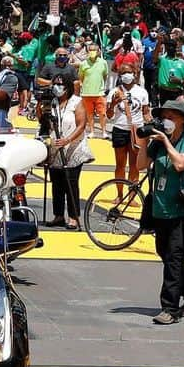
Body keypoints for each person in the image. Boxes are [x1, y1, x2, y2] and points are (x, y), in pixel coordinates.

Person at [144, 98, 184, 325]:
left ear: (182, 120)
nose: (166, 121)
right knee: (165, 254)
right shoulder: (159, 140)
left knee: (175, 257)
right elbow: (141, 164)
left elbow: (180, 164)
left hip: (182, 207)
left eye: (171, 117)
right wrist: (143, 141)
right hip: (161, 206)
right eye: (164, 116)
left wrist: (166, 143)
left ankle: (170, 308)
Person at [45, 74, 91, 230]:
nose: (57, 86)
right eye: (55, 83)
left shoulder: (76, 102)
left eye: (60, 83)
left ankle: (73, 216)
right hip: (56, 147)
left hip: (73, 148)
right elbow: (45, 123)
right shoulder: (53, 103)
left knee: (71, 182)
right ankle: (58, 215)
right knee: (56, 183)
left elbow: (81, 124)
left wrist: (68, 140)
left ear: (68, 86)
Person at [106, 66, 150, 201]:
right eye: (123, 73)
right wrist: (113, 104)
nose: (127, 75)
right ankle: (119, 194)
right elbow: (109, 115)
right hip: (120, 129)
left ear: (135, 74)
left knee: (134, 165)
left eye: (129, 72)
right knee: (120, 164)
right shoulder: (114, 91)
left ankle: (132, 195)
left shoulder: (142, 92)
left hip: (136, 130)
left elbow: (145, 112)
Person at [78, 42, 108, 138]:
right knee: (89, 114)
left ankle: (104, 132)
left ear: (98, 51)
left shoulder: (103, 62)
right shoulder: (83, 63)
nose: (92, 52)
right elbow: (81, 77)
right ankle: (91, 131)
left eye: (94, 50)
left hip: (99, 93)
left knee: (102, 114)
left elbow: (105, 75)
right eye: (90, 50)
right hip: (86, 93)